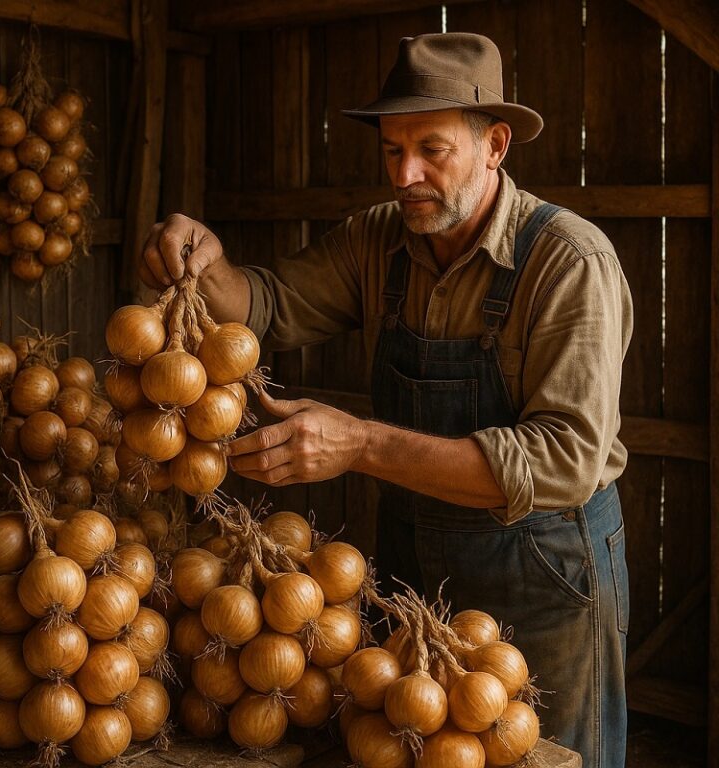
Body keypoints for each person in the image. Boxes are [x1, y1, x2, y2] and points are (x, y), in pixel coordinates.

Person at [141, 32, 632, 768]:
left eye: (432, 149)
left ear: (495, 145)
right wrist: (206, 263)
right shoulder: (378, 239)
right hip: (417, 568)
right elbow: (266, 306)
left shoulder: (568, 262)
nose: (405, 174)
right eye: (392, 151)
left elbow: (560, 461)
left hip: (545, 572)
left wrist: (361, 444)